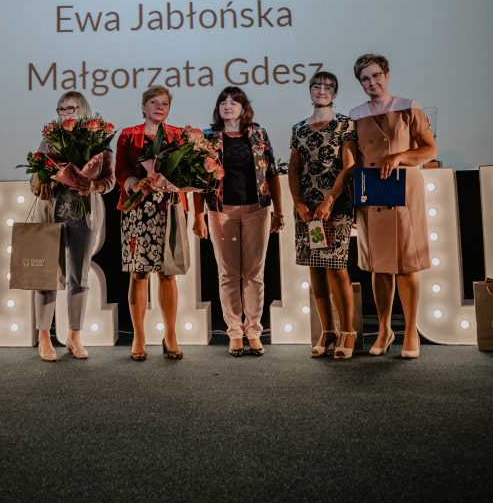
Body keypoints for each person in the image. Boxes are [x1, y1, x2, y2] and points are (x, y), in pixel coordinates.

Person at [350, 54, 437, 359]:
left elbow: (429, 149)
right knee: (380, 265)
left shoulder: (409, 106)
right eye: (365, 79)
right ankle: (385, 330)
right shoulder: (355, 115)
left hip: (404, 191)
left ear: (386, 75)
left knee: (407, 263)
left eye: (376, 76)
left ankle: (411, 331)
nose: (372, 82)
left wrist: (399, 156)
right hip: (372, 193)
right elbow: (354, 160)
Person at [192, 86, 284, 356]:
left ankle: (253, 330)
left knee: (254, 273)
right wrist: (198, 216)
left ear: (244, 108)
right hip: (221, 212)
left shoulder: (258, 135)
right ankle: (234, 332)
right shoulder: (207, 138)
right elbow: (198, 180)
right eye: (223, 101)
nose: (228, 105)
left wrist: (279, 211)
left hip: (257, 210)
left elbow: (272, 174)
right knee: (228, 273)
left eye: (234, 102)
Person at [32, 91, 115, 362]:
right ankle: (44, 337)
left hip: (85, 215)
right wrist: (41, 184)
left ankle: (74, 336)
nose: (66, 114)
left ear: (84, 111)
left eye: (72, 108)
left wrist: (93, 185)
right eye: (62, 109)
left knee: (79, 278)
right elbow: (35, 179)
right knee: (46, 277)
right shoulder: (49, 140)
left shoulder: (99, 142)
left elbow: (110, 181)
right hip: (51, 214)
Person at [288, 71, 358, 359]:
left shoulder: (345, 124)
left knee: (336, 267)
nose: (322, 90)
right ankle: (327, 331)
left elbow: (349, 167)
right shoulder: (298, 129)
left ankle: (348, 333)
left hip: (335, 206)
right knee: (315, 267)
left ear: (335, 93)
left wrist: (329, 200)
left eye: (328, 87)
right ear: (310, 91)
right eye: (317, 86)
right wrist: (298, 203)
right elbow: (294, 170)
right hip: (308, 210)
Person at [115, 86, 187, 362]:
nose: (159, 107)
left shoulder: (178, 136)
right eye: (154, 102)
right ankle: (139, 336)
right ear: (143, 107)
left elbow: (185, 172)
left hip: (168, 208)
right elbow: (121, 170)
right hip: (138, 210)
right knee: (139, 273)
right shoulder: (128, 134)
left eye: (164, 103)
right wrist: (135, 184)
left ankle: (171, 335)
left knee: (168, 273)